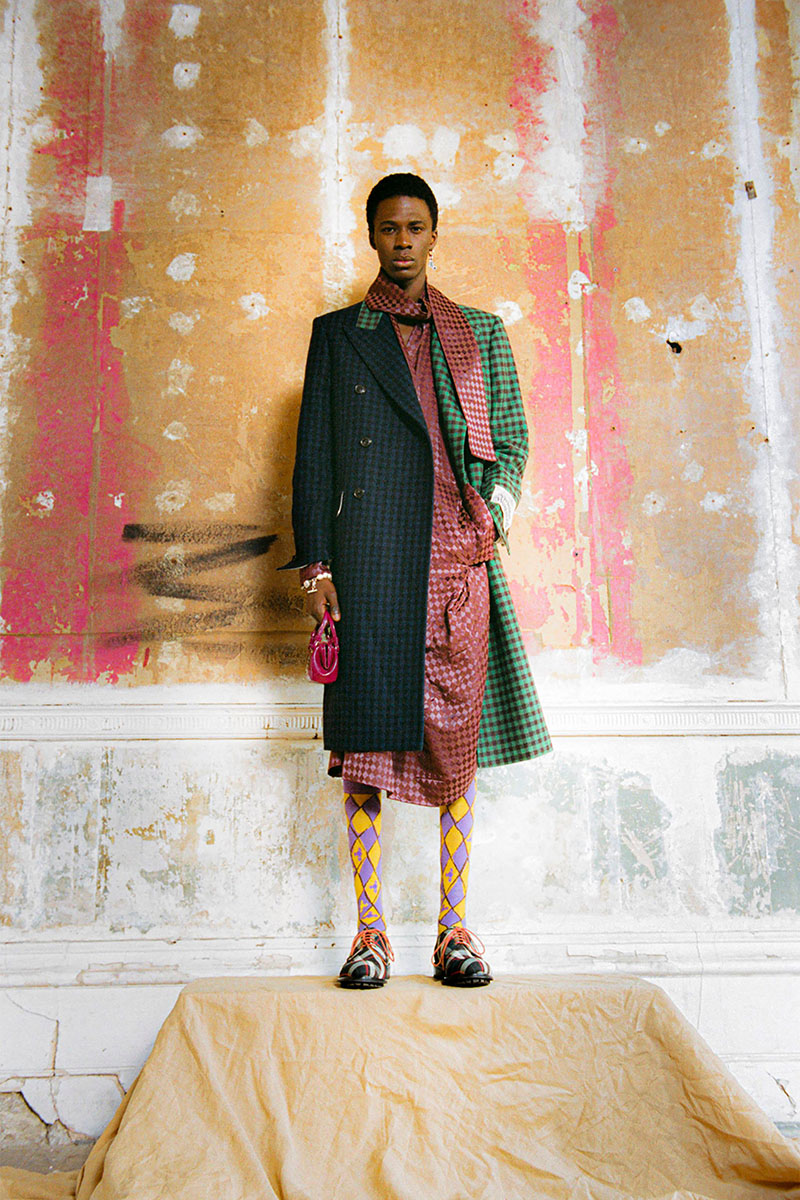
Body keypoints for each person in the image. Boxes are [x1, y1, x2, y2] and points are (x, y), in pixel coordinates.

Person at [280, 173, 551, 989]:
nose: (402, 241)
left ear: (435, 234)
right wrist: (317, 569)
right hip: (368, 568)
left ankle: (453, 933)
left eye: (416, 227)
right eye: (389, 228)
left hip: (456, 569)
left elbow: (511, 440)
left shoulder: (480, 333)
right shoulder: (338, 335)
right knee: (365, 755)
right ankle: (370, 937)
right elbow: (314, 460)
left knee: (455, 755)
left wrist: (490, 519)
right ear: (371, 235)